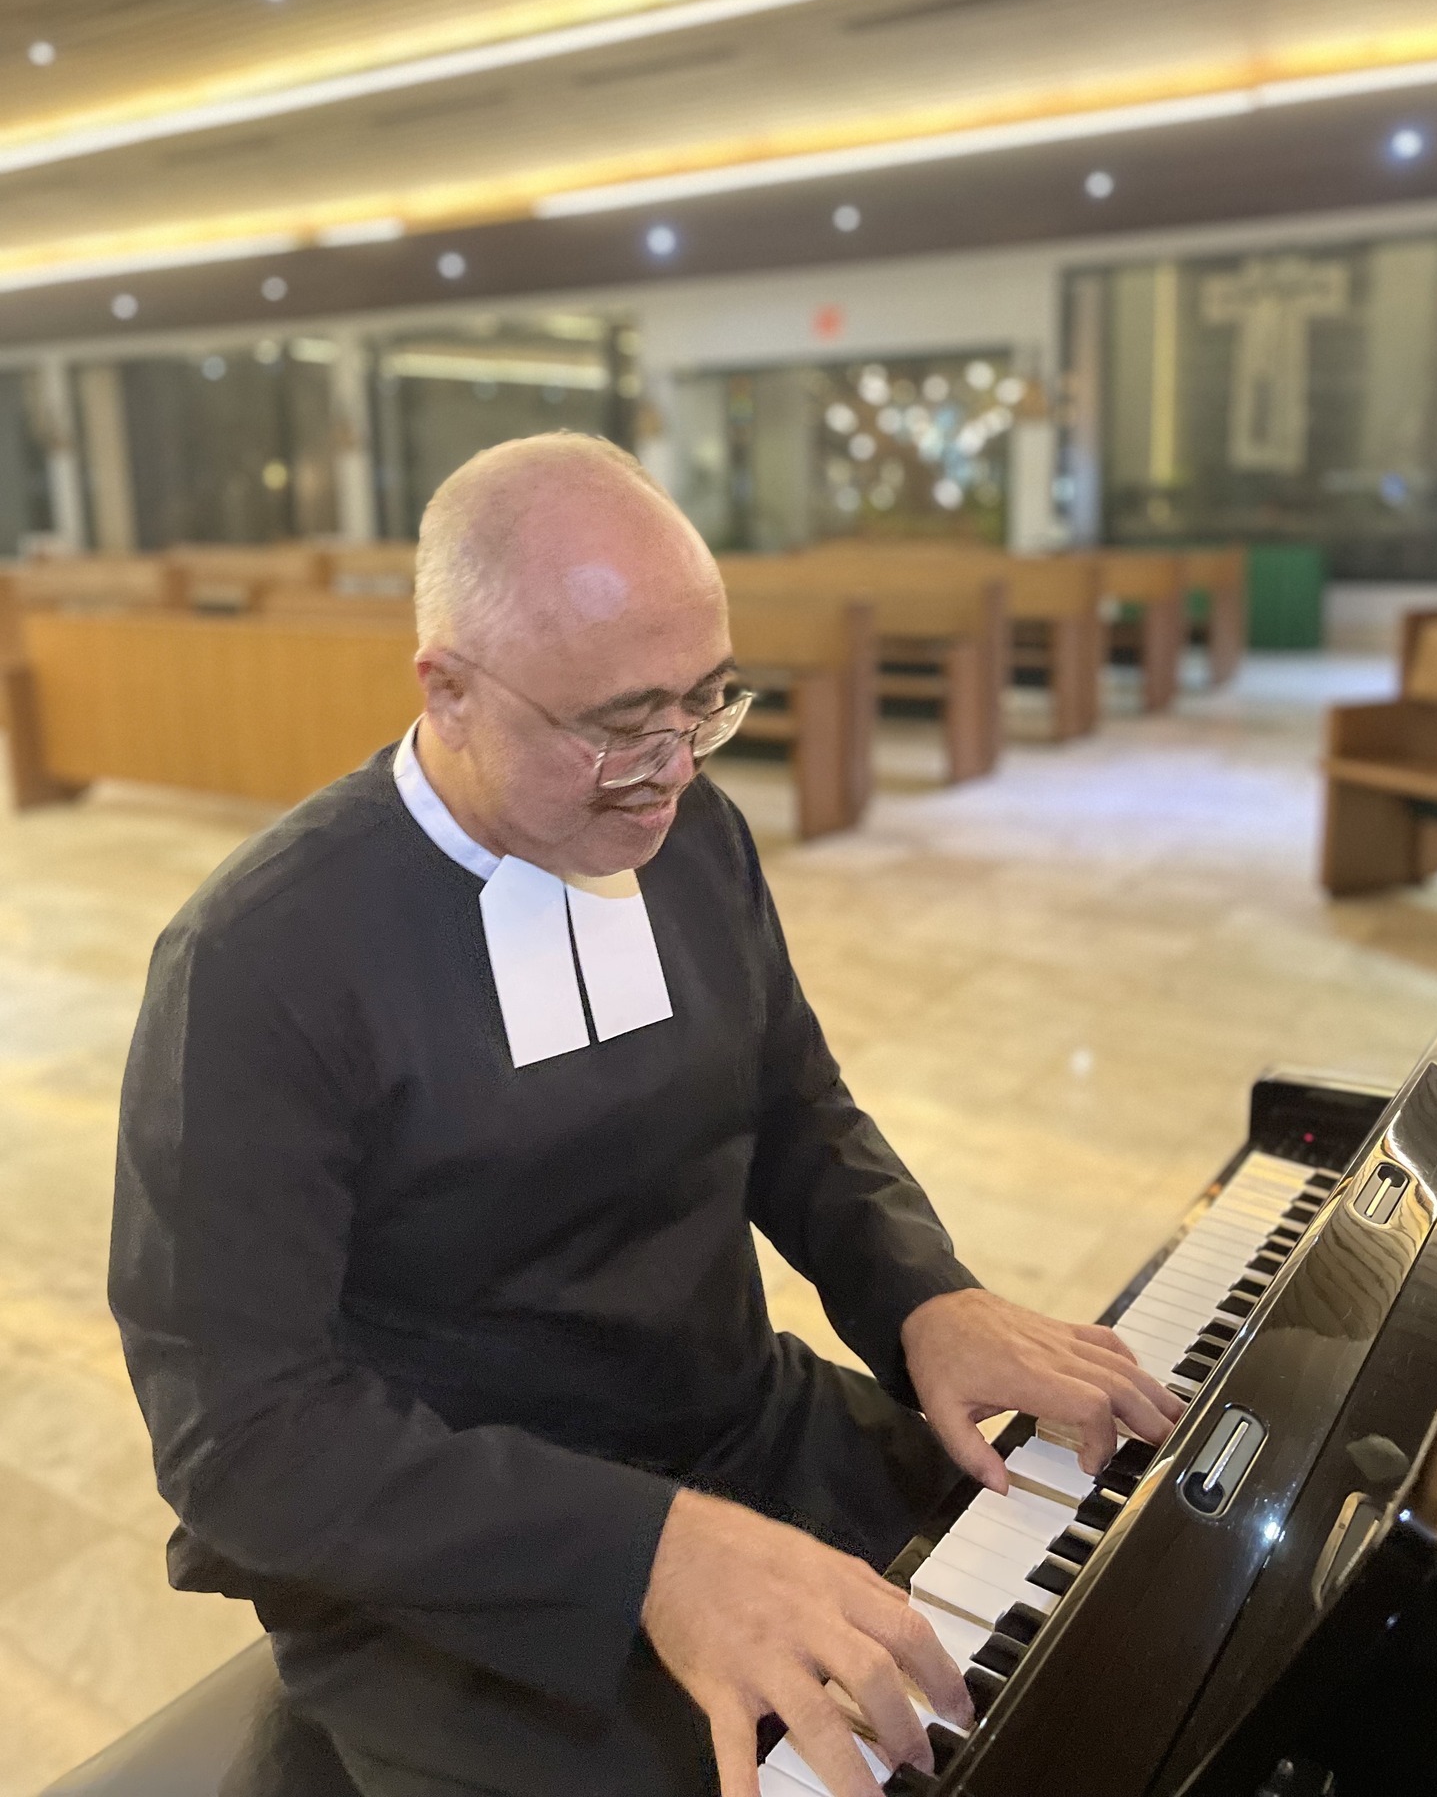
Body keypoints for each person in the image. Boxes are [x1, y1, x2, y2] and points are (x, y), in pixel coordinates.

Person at [110, 433, 1181, 1797]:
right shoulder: (259, 961)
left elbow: (795, 1110)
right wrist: (648, 1553)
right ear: (448, 689)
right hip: (466, 1569)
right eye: (620, 725)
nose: (673, 767)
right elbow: (238, 1434)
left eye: (707, 703)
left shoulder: (697, 840)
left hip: (748, 1430)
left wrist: (926, 1298)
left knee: (1097, 1625)